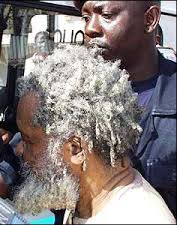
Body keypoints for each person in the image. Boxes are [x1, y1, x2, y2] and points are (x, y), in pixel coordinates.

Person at [11, 45, 175, 224]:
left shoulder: (141, 218)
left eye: (28, 141)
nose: (20, 149)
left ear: (76, 149)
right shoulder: (83, 199)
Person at [73, 0, 176, 217]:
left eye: (107, 15)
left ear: (149, 20)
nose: (90, 28)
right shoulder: (69, 92)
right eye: (86, 17)